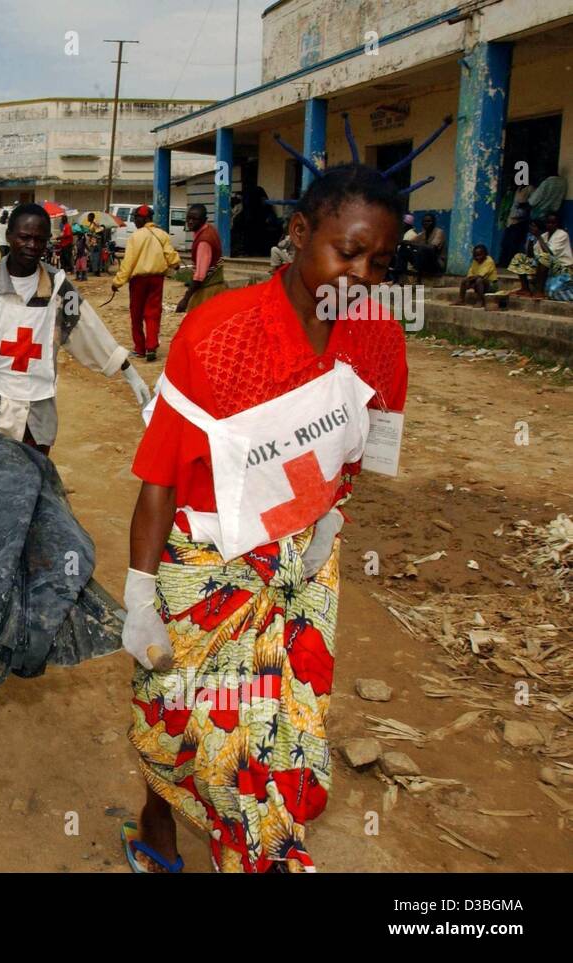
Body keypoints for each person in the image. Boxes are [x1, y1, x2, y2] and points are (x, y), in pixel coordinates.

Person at [120, 162, 408, 874]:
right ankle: (160, 808)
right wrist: (137, 593)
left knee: (268, 743)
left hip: (301, 571)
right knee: (174, 718)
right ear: (301, 232)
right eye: (348, 252)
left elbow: (357, 456)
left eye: (382, 260)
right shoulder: (219, 333)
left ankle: (260, 854)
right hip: (209, 568)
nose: (364, 276)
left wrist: (330, 523)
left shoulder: (377, 336)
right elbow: (159, 475)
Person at [0, 203, 153, 456]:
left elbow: (89, 328)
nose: (32, 245)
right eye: (24, 237)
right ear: (8, 236)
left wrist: (128, 371)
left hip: (37, 406)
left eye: (39, 239)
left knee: (33, 479)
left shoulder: (59, 288)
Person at [111, 204, 181, 361]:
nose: (134, 221)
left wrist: (117, 282)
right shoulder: (162, 234)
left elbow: (128, 262)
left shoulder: (135, 237)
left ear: (144, 219)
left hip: (138, 281)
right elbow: (170, 254)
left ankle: (140, 348)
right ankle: (151, 346)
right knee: (153, 313)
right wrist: (176, 264)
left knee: (136, 314)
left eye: (136, 217)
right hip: (157, 279)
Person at [175, 204, 226, 313]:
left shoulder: (204, 241)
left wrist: (185, 299)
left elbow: (199, 276)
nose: (190, 222)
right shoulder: (210, 229)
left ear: (204, 220)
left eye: (195, 219)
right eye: (188, 218)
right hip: (217, 285)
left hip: (209, 288)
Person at [399, 213, 446, 277]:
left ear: (434, 223)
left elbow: (432, 247)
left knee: (423, 249)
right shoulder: (422, 234)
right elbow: (409, 242)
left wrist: (413, 244)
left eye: (429, 221)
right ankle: (401, 274)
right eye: (424, 221)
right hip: (425, 263)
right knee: (403, 249)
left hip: (437, 264)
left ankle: (419, 276)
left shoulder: (439, 232)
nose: (426, 223)